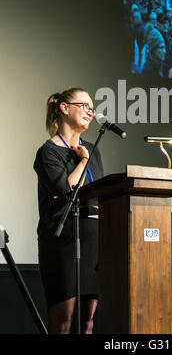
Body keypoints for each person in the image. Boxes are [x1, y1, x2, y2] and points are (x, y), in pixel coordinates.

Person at [34, 87, 104, 334]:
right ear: (64, 108)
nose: (91, 112)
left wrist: (87, 156)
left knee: (88, 322)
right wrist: (82, 161)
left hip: (92, 237)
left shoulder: (92, 150)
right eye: (84, 105)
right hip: (62, 239)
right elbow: (66, 189)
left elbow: (99, 190)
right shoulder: (48, 152)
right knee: (63, 322)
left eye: (92, 108)